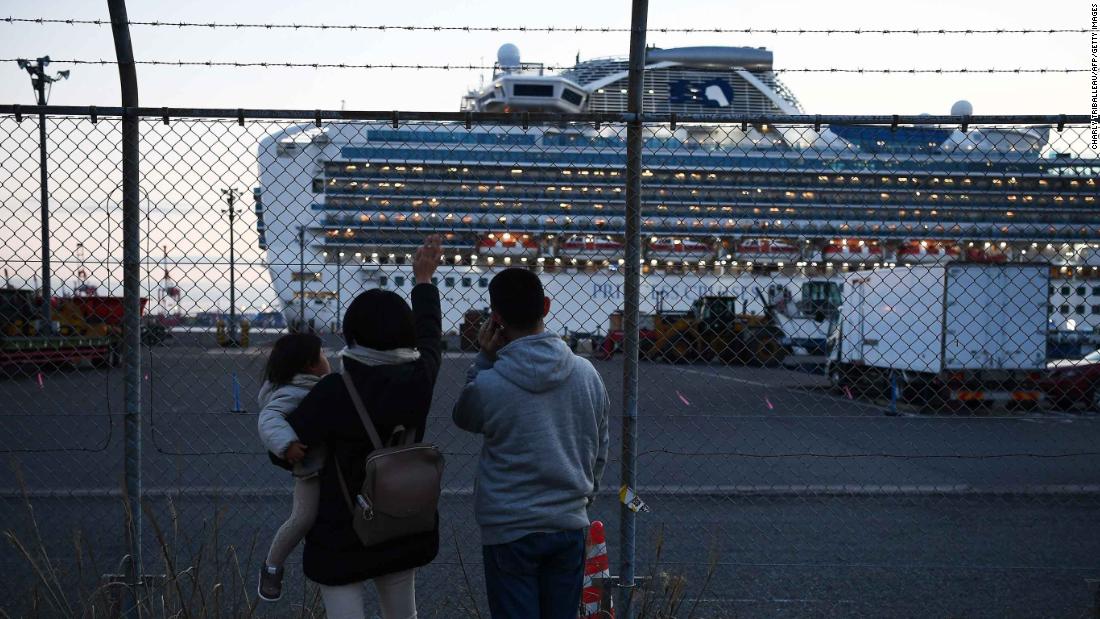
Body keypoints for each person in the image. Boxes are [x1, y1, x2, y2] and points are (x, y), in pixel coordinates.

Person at [279, 235, 445, 619]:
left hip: (342, 530)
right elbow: (430, 339)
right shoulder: (421, 378)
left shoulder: (336, 389)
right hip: (402, 524)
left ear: (352, 334)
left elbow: (288, 450)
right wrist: (423, 281)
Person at [452, 267, 610, 619]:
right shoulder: (588, 375)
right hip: (569, 522)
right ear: (548, 306)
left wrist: (484, 359)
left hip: (509, 528)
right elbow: (601, 448)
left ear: (495, 319)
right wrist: (581, 500)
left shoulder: (489, 385)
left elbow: (463, 416)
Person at [256, 332, 331, 602]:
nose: (327, 358)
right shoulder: (294, 391)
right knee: (302, 519)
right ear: (310, 364)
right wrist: (287, 444)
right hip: (309, 472)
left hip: (322, 467)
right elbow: (269, 418)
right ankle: (272, 566)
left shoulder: (311, 385)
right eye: (323, 354)